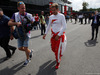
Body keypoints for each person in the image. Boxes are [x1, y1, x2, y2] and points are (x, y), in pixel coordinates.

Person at [8, 1, 33, 66]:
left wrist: (31, 25)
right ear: (18, 8)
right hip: (19, 34)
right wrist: (16, 23)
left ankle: (27, 59)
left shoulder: (29, 15)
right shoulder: (15, 15)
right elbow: (9, 23)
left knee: (25, 47)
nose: (24, 10)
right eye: (22, 8)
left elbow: (33, 23)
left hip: (26, 34)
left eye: (24, 8)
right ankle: (30, 51)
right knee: (20, 48)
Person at [43, 3, 67, 69]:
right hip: (53, 35)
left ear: (57, 9)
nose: (53, 12)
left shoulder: (61, 16)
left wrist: (59, 35)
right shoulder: (51, 17)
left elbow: (65, 27)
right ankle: (59, 53)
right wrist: (45, 34)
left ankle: (58, 62)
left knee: (57, 51)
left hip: (59, 35)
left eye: (54, 10)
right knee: (53, 49)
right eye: (52, 10)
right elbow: (48, 26)